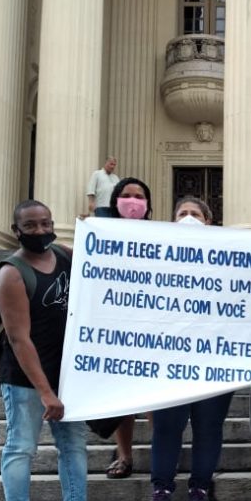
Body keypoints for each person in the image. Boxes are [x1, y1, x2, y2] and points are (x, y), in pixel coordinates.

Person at [0, 200, 115, 501]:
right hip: (25, 378)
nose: (39, 230)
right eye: (30, 226)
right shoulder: (11, 275)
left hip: (69, 374)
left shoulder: (64, 256)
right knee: (21, 448)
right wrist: (47, 392)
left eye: (45, 223)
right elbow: (19, 339)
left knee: (74, 448)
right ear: (17, 230)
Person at [144, 197, 234, 501]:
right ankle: (161, 488)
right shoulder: (157, 262)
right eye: (182, 213)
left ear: (208, 222)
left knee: (208, 426)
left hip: (215, 358)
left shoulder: (228, 260)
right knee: (167, 426)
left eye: (195, 214)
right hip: (170, 359)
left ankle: (199, 487)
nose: (189, 218)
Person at [103, 177, 155, 479]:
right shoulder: (103, 234)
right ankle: (124, 456)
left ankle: (161, 450)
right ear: (115, 201)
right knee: (123, 397)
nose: (133, 201)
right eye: (126, 195)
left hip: (151, 326)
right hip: (117, 327)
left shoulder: (158, 234)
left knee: (152, 398)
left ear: (147, 204)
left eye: (139, 196)